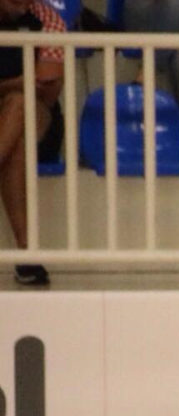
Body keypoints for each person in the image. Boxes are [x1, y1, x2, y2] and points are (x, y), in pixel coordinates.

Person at [0, 0, 63, 287]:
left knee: (18, 103)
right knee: (15, 145)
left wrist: (15, 87)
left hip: (39, 115)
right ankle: (27, 255)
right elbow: (29, 80)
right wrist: (18, 82)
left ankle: (27, 253)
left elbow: (45, 89)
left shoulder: (48, 19)